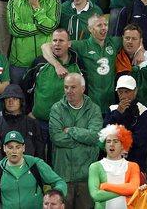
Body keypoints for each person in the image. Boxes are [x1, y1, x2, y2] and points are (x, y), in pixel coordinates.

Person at [49, 73, 102, 209]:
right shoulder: (56, 109)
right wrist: (84, 139)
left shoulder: (94, 109)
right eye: (66, 87)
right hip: (63, 175)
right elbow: (56, 137)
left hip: (86, 177)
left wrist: (71, 130)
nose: (69, 91)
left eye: (73, 87)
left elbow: (95, 137)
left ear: (83, 88)